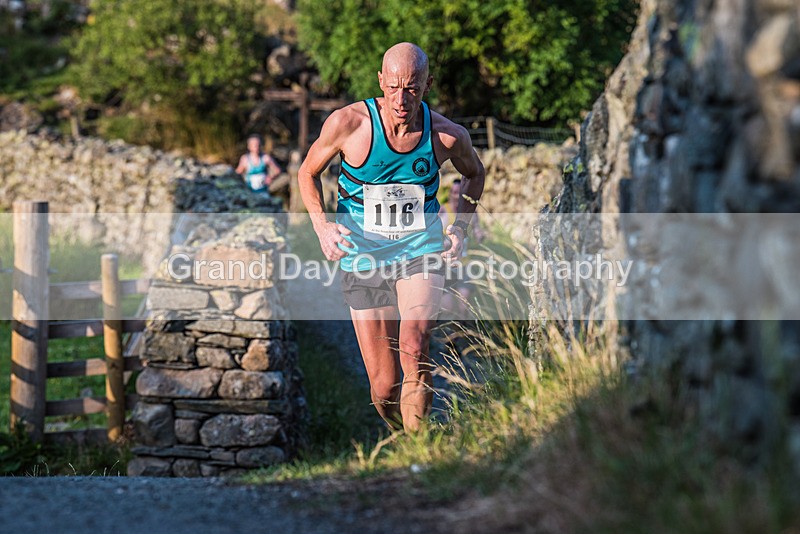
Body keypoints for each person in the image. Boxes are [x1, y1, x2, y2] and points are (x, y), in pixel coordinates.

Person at [297, 42, 485, 431]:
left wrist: (460, 228)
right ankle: (402, 436)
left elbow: (475, 174)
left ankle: (423, 454)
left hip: (420, 250)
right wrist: (321, 226)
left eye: (413, 88)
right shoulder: (349, 124)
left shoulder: (447, 136)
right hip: (362, 255)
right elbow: (307, 172)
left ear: (428, 84)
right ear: (380, 81)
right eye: (394, 86)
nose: (402, 99)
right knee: (383, 387)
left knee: (415, 349)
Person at [438, 177, 487, 318]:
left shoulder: (471, 213)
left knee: (463, 307)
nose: (455, 196)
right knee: (447, 309)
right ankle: (445, 337)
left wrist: (479, 236)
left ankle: (461, 336)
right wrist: (444, 243)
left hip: (464, 266)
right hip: (445, 266)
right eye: (453, 192)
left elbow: (477, 230)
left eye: (458, 193)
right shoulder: (443, 211)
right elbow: (432, 236)